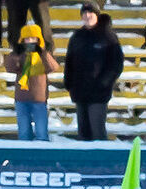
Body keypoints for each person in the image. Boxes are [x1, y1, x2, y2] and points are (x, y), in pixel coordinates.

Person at [63, 1, 123, 141]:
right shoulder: (77, 37)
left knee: (97, 132)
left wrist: (104, 82)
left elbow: (116, 64)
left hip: (98, 93)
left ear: (97, 15)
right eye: (84, 13)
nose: (87, 16)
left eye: (90, 13)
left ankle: (102, 155)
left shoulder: (108, 37)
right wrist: (69, 82)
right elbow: (69, 62)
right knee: (83, 133)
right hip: (80, 92)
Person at [5, 22, 59, 139]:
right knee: (24, 133)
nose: (30, 41)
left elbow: (53, 67)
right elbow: (10, 68)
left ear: (38, 40)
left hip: (39, 99)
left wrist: (43, 52)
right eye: (27, 39)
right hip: (21, 98)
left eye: (33, 38)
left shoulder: (43, 55)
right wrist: (15, 53)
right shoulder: (20, 54)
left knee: (41, 132)